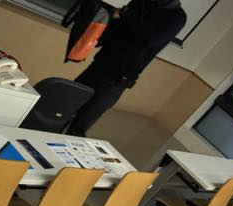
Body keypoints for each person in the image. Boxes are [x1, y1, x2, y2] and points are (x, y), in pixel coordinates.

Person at [66, 0, 186, 137]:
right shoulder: (140, 3)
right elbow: (118, 28)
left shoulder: (176, 16)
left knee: (78, 127)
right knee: (63, 106)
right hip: (98, 65)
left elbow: (152, 38)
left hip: (116, 80)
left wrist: (127, 13)